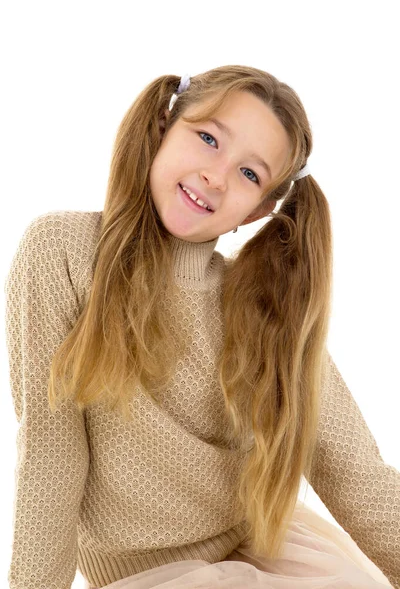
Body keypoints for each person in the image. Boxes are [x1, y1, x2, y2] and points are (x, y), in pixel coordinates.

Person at [4, 65, 399, 589]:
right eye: (209, 138)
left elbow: (355, 472)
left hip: (256, 550)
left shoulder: (259, 305)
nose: (217, 175)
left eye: (250, 174)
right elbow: (52, 460)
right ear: (164, 126)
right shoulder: (62, 253)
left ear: (257, 212)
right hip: (143, 574)